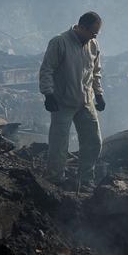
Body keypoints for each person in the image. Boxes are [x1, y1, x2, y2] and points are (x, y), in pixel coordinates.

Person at [38, 11, 105, 188]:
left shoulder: (93, 44)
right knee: (59, 144)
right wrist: (48, 94)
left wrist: (98, 94)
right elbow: (47, 70)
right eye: (92, 32)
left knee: (93, 141)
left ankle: (85, 178)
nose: (94, 36)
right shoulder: (59, 42)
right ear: (81, 27)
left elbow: (96, 72)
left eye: (96, 34)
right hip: (62, 102)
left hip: (86, 101)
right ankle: (55, 179)